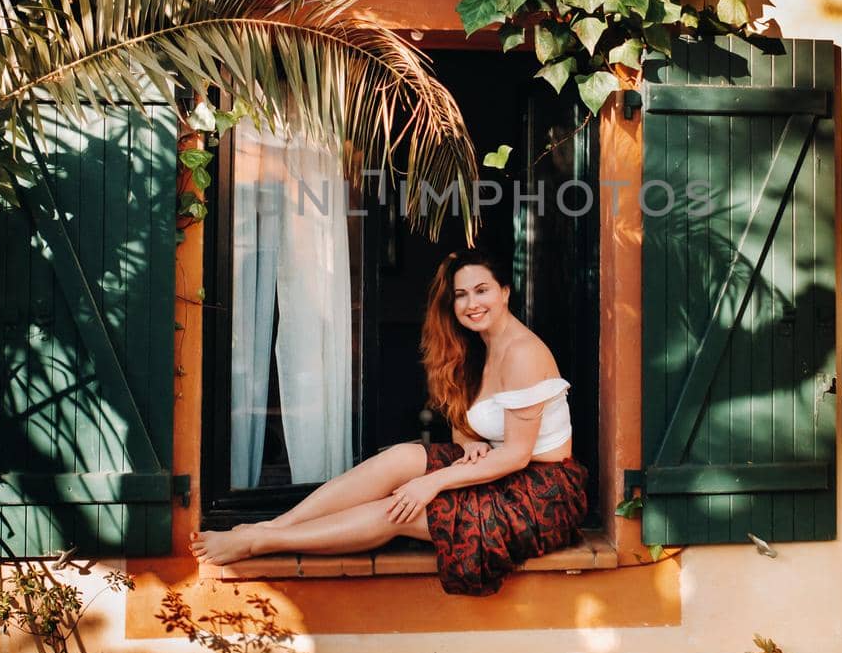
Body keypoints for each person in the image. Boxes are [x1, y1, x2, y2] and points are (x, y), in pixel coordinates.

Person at [189, 248, 588, 595]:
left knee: (399, 509)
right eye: (461, 295)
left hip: (539, 495)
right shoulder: (477, 346)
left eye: (482, 290)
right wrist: (468, 446)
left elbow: (517, 456)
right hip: (497, 472)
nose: (471, 304)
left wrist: (431, 482)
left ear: (505, 291)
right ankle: (275, 524)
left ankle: (260, 542)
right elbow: (465, 428)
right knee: (400, 457)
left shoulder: (523, 352)